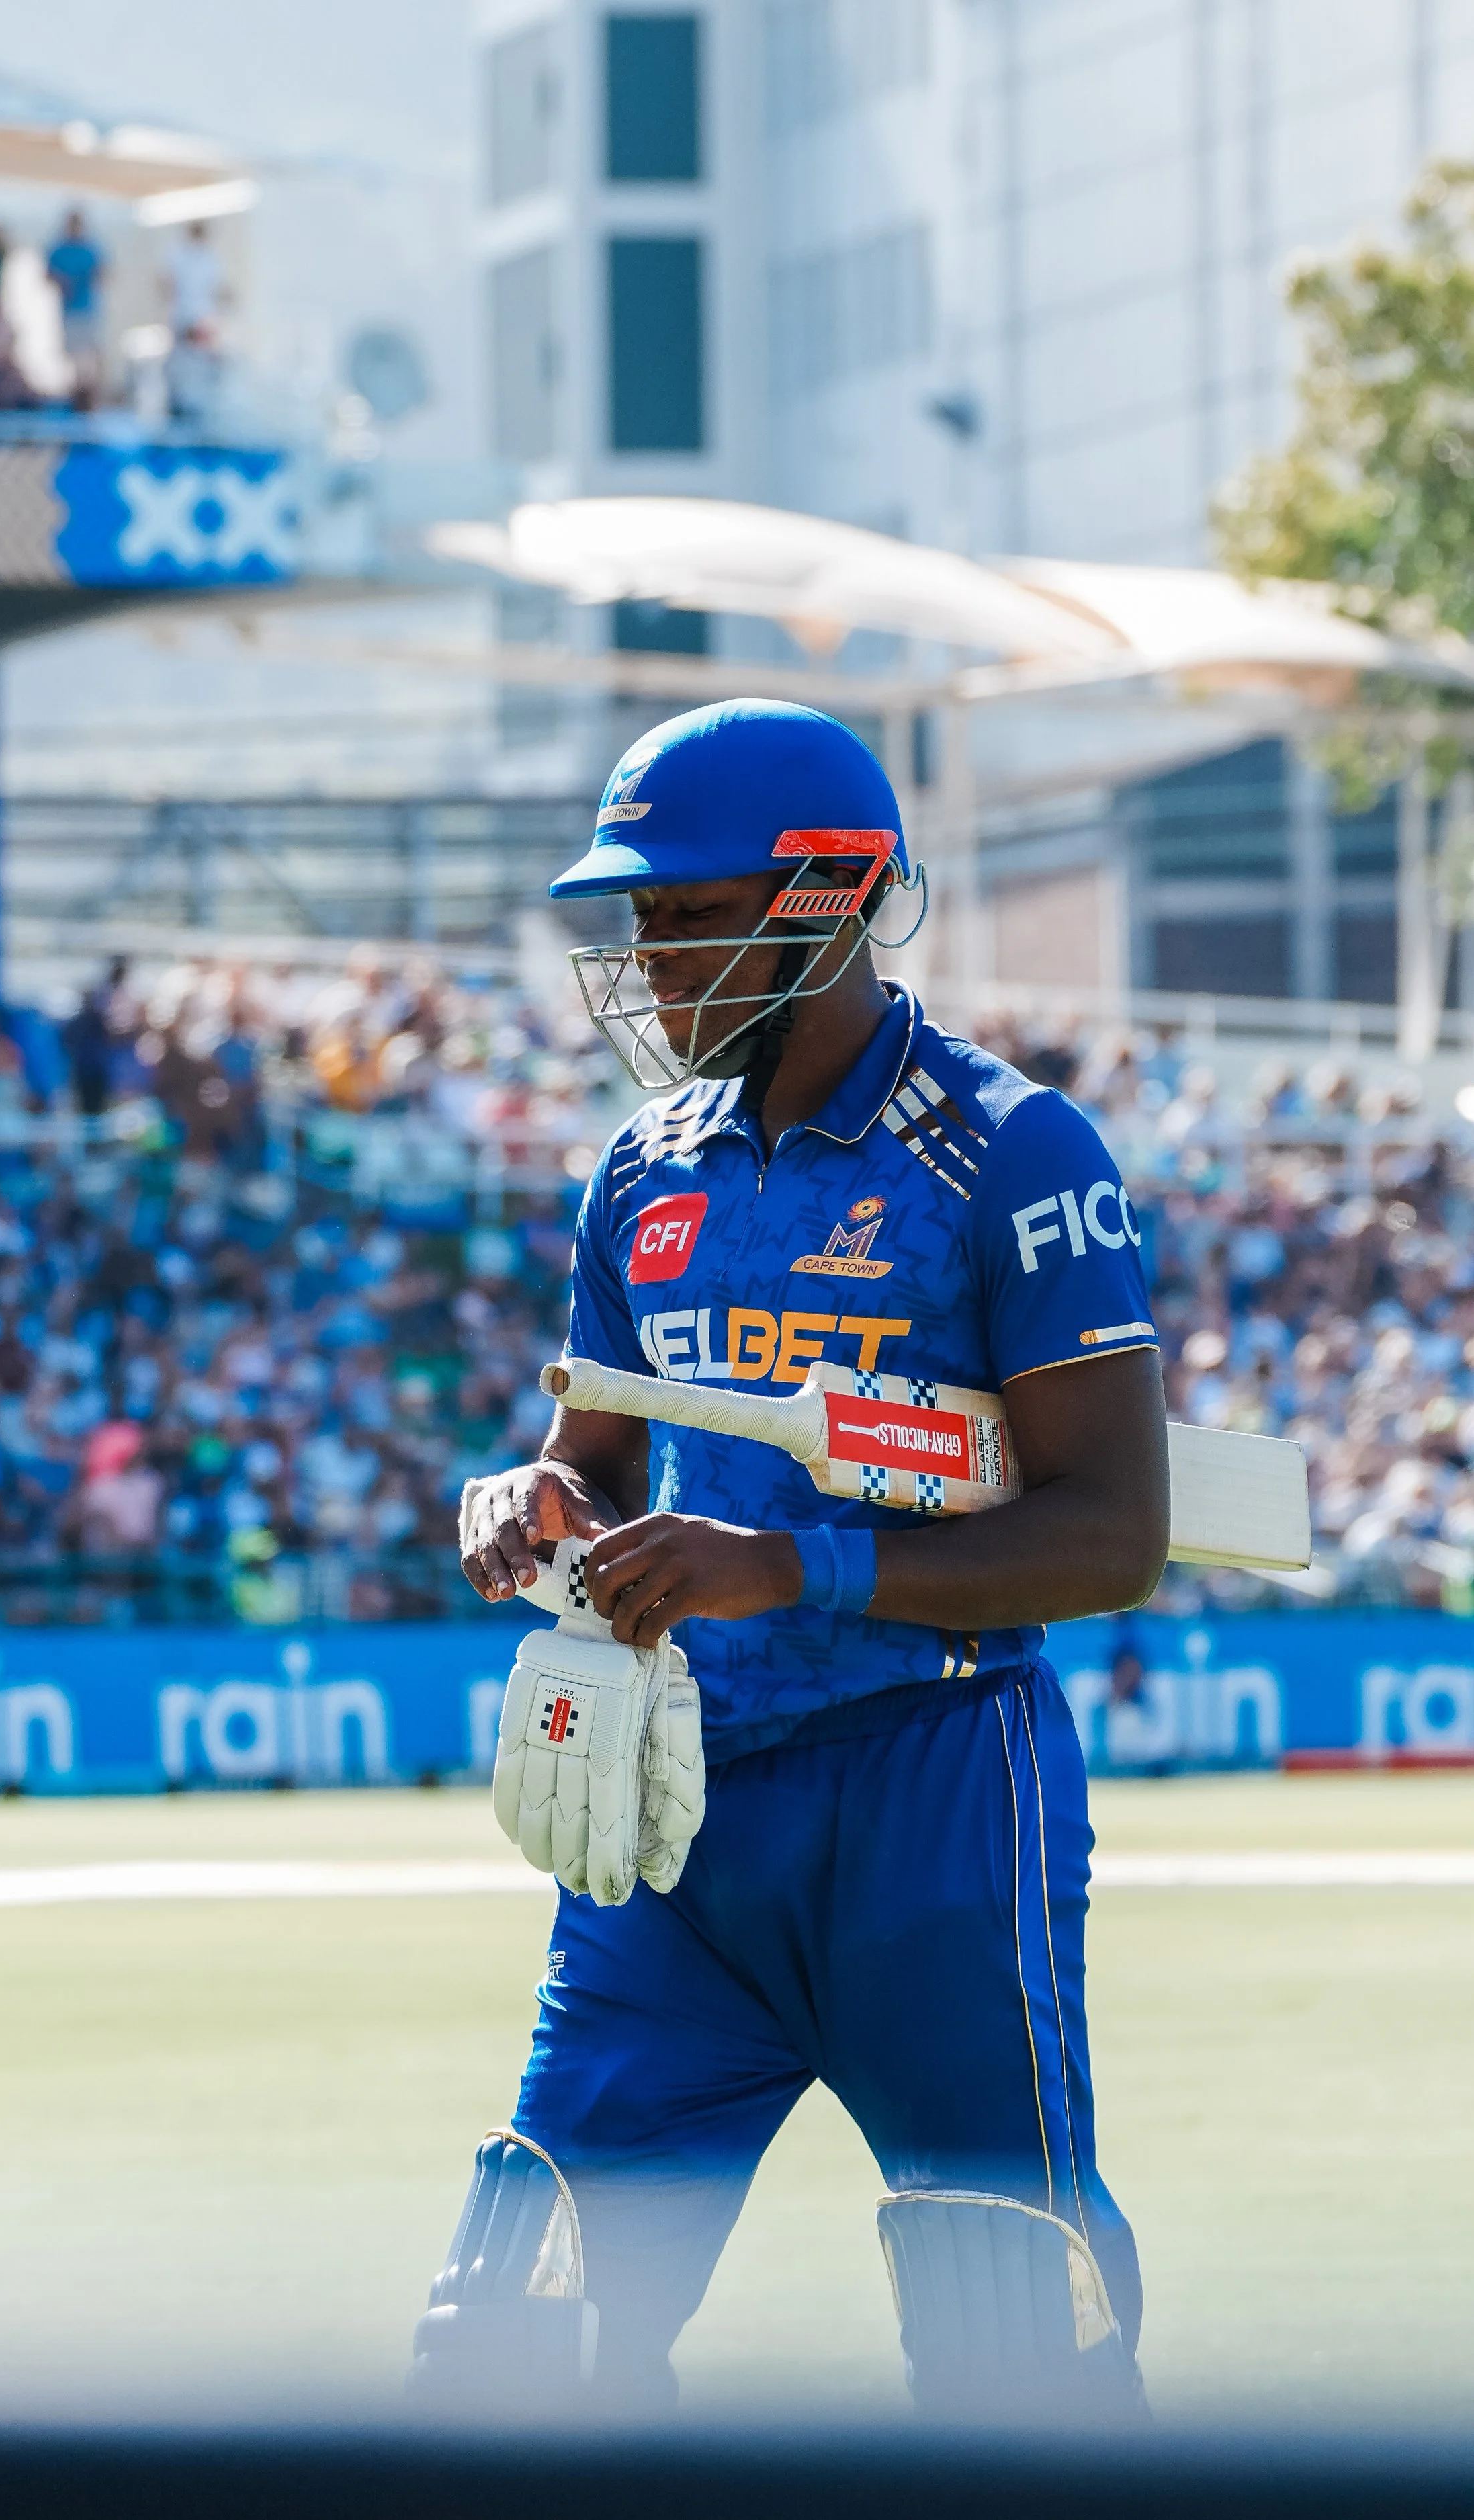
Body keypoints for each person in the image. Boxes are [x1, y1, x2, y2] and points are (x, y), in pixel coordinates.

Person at [419, 699, 1170, 2418]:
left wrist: (792, 1568)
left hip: (939, 1798)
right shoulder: (642, 1167)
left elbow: (1110, 1529)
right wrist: (527, 1500)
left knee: (1011, 2344)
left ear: (828, 899)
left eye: (684, 916)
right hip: (680, 1814)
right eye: (636, 924)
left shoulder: (1010, 1150)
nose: (647, 964)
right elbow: (594, 1461)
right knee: (509, 2338)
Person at [161, 220, 226, 421]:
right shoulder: (177, 255)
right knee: (180, 366)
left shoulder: (210, 259)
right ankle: (177, 408)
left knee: (200, 367)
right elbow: (166, 285)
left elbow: (216, 290)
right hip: (183, 317)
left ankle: (198, 410)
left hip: (201, 320)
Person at [45, 208, 106, 408]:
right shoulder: (59, 249)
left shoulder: (92, 248)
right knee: (72, 360)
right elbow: (48, 275)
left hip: (88, 311)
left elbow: (105, 274)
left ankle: (92, 399)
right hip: (69, 312)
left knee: (90, 358)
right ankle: (76, 398)